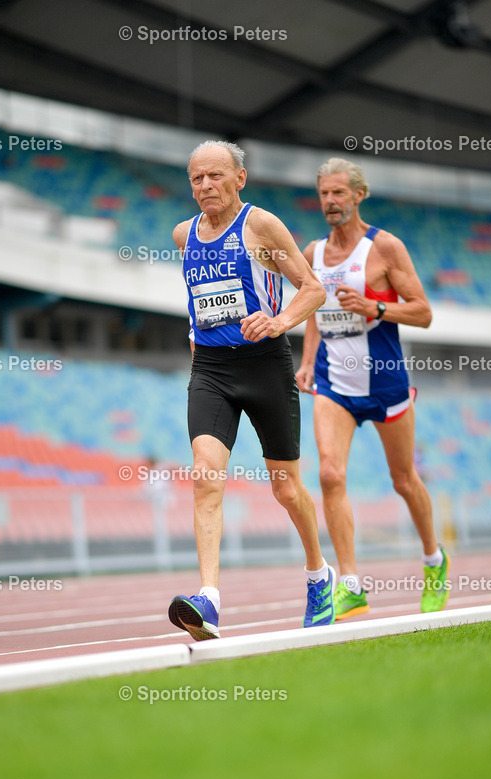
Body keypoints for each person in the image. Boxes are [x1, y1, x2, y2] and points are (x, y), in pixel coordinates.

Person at [168, 140, 335, 641]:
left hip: (265, 366)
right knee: (205, 478)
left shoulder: (260, 226)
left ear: (240, 178)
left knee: (285, 487)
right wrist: (197, 334)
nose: (206, 186)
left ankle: (317, 574)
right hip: (212, 371)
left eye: (216, 176)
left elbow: (313, 288)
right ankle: (209, 600)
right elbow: (198, 295)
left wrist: (279, 320)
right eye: (197, 178)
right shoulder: (183, 235)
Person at [296, 157, 450, 620]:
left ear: (359, 195)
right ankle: (350, 584)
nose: (330, 202)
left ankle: (434, 560)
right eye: (324, 193)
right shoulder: (313, 254)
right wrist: (306, 362)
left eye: (339, 193)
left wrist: (375, 309)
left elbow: (423, 312)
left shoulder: (386, 248)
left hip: (385, 380)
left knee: (403, 480)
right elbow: (313, 310)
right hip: (333, 383)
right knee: (329, 475)